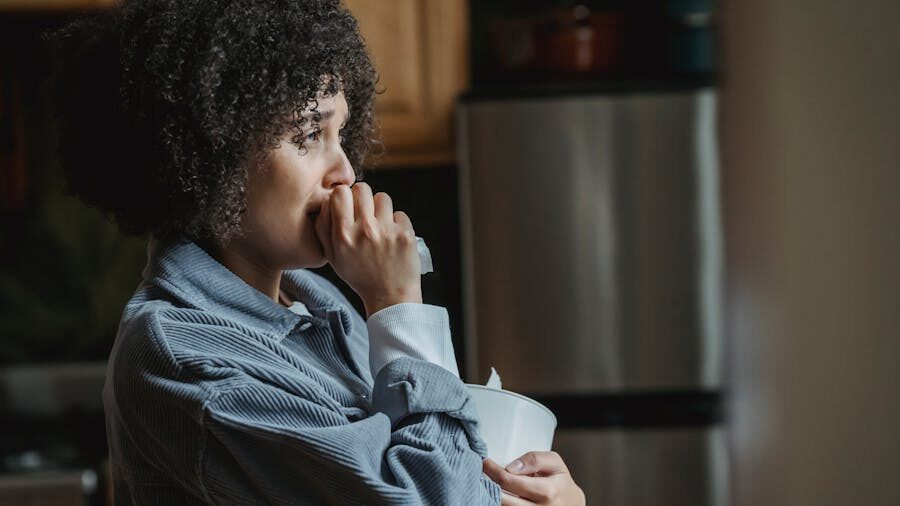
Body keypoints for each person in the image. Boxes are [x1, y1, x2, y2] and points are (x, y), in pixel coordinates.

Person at [50, 1, 585, 504]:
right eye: (308, 135)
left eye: (341, 132)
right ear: (212, 150)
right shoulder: (181, 355)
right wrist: (398, 304)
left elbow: (451, 475)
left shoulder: (318, 303)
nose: (346, 172)